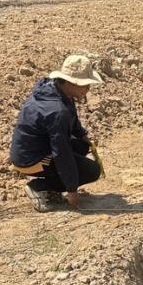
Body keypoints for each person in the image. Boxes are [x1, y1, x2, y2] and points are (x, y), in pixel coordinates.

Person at [10, 54, 103, 212]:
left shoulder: (54, 90)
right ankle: (39, 187)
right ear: (70, 82)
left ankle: (54, 182)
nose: (88, 89)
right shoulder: (57, 111)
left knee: (81, 146)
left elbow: (72, 119)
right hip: (31, 158)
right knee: (92, 171)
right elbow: (62, 153)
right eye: (85, 85)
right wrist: (72, 189)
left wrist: (82, 135)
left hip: (33, 149)